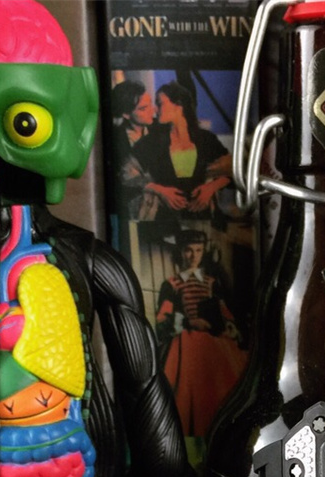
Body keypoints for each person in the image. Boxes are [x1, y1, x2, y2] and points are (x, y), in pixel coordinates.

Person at [156, 230, 246, 437]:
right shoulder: (171, 284)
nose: (193, 255)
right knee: (186, 395)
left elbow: (224, 312)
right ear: (181, 252)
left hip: (215, 343)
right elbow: (162, 320)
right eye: (188, 250)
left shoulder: (211, 282)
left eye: (198, 250)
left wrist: (228, 325)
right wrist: (189, 322)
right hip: (184, 345)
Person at [124, 81, 232, 222]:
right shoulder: (151, 142)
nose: (155, 109)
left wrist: (210, 188)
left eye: (160, 104)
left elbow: (233, 171)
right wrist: (160, 190)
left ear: (179, 105)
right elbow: (126, 174)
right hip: (163, 222)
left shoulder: (207, 139)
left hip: (204, 219)